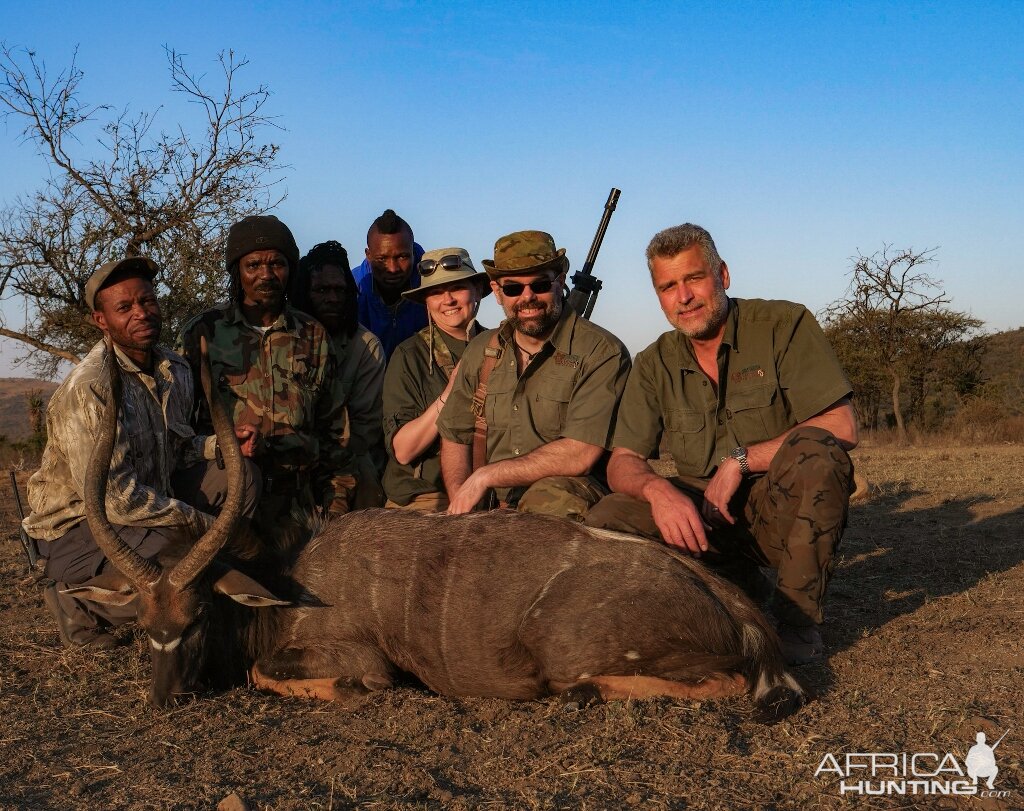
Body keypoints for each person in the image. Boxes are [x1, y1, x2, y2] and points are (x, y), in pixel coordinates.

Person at [584, 223, 858, 665]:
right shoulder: (653, 363)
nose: (684, 297)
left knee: (817, 453)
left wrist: (740, 461)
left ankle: (794, 622)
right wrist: (659, 492)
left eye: (694, 278)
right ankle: (720, 593)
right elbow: (623, 461)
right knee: (608, 515)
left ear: (723, 275)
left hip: (777, 511)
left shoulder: (783, 324)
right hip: (703, 520)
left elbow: (842, 424)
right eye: (668, 287)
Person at [23, 256, 260, 648]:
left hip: (150, 504)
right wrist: (205, 526)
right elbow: (115, 501)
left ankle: (195, 593)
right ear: (101, 320)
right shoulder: (90, 387)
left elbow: (178, 448)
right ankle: (78, 606)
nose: (141, 313)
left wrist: (222, 445)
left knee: (242, 477)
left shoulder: (175, 368)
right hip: (79, 528)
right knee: (169, 561)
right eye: (125, 308)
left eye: (147, 301)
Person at [437, 230, 631, 520]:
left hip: (567, 498)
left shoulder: (601, 352)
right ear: (497, 291)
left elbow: (580, 454)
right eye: (513, 288)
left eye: (540, 285)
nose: (527, 297)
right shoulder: (480, 350)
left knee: (549, 501)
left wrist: (485, 477)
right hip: (492, 506)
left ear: (560, 282)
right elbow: (455, 436)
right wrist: (460, 503)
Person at [177, 215, 356, 526]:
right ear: (237, 272)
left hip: (299, 511)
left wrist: (335, 511)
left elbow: (335, 436)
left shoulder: (313, 335)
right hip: (228, 504)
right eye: (253, 265)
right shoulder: (202, 334)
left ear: (290, 270)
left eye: (277, 264)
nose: (266, 274)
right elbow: (177, 431)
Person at [381, 247, 490, 511]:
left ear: (477, 290)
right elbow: (404, 450)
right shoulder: (408, 355)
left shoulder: (500, 346)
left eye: (458, 287)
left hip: (490, 491)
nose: (448, 300)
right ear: (426, 303)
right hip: (427, 496)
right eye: (436, 292)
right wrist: (453, 389)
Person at [291, 240, 387, 508]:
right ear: (304, 292)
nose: (332, 298)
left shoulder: (367, 347)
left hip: (344, 454)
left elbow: (365, 430)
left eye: (339, 290)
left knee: (364, 477)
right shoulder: (283, 339)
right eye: (321, 290)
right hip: (289, 453)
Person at [353, 209, 427, 359]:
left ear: (413, 252)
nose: (393, 269)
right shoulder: (351, 288)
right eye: (382, 259)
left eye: (402, 257)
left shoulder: (432, 288)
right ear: (368, 255)